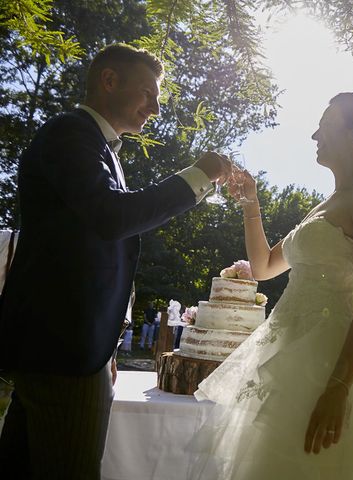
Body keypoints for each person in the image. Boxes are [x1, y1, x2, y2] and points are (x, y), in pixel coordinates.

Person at [0, 43, 232, 480]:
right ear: (109, 81)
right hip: (62, 348)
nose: (156, 108)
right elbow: (113, 218)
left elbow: (91, 250)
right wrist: (198, 175)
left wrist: (106, 342)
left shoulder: (98, 147)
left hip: (67, 345)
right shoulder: (70, 134)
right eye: (148, 93)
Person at [188, 93, 353, 479]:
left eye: (326, 125)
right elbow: (264, 266)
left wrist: (338, 388)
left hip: (331, 362)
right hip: (287, 358)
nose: (315, 134)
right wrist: (251, 204)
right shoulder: (322, 207)